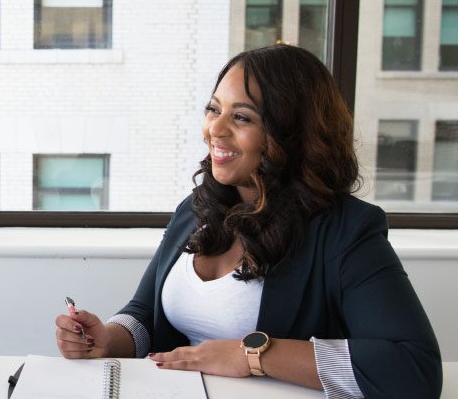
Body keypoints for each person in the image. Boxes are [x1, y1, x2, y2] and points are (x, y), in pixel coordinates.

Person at [53, 45, 441, 398]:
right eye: (213, 109)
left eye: (241, 117)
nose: (215, 130)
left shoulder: (346, 230)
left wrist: (252, 354)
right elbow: (145, 314)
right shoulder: (196, 209)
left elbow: (413, 368)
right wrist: (109, 338)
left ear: (292, 133)